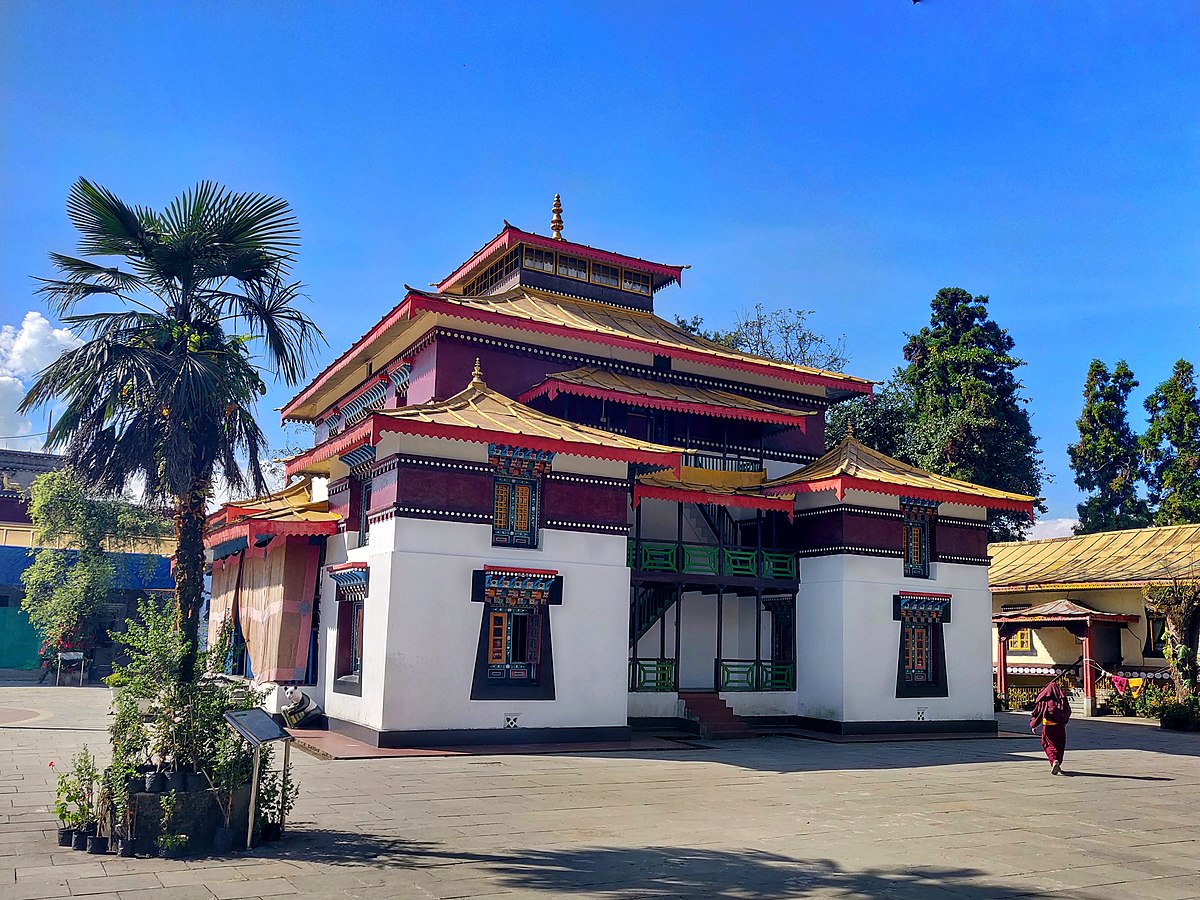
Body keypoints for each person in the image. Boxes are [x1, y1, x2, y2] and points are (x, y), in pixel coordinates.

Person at [1030, 680, 1072, 775]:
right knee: (1060, 745)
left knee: (1048, 744)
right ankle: (1058, 762)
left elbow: (1038, 712)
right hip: (1061, 727)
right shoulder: (1061, 699)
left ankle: (1054, 761)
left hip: (1048, 727)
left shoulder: (1045, 699)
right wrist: (1064, 721)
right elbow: (1068, 711)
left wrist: (1034, 724)